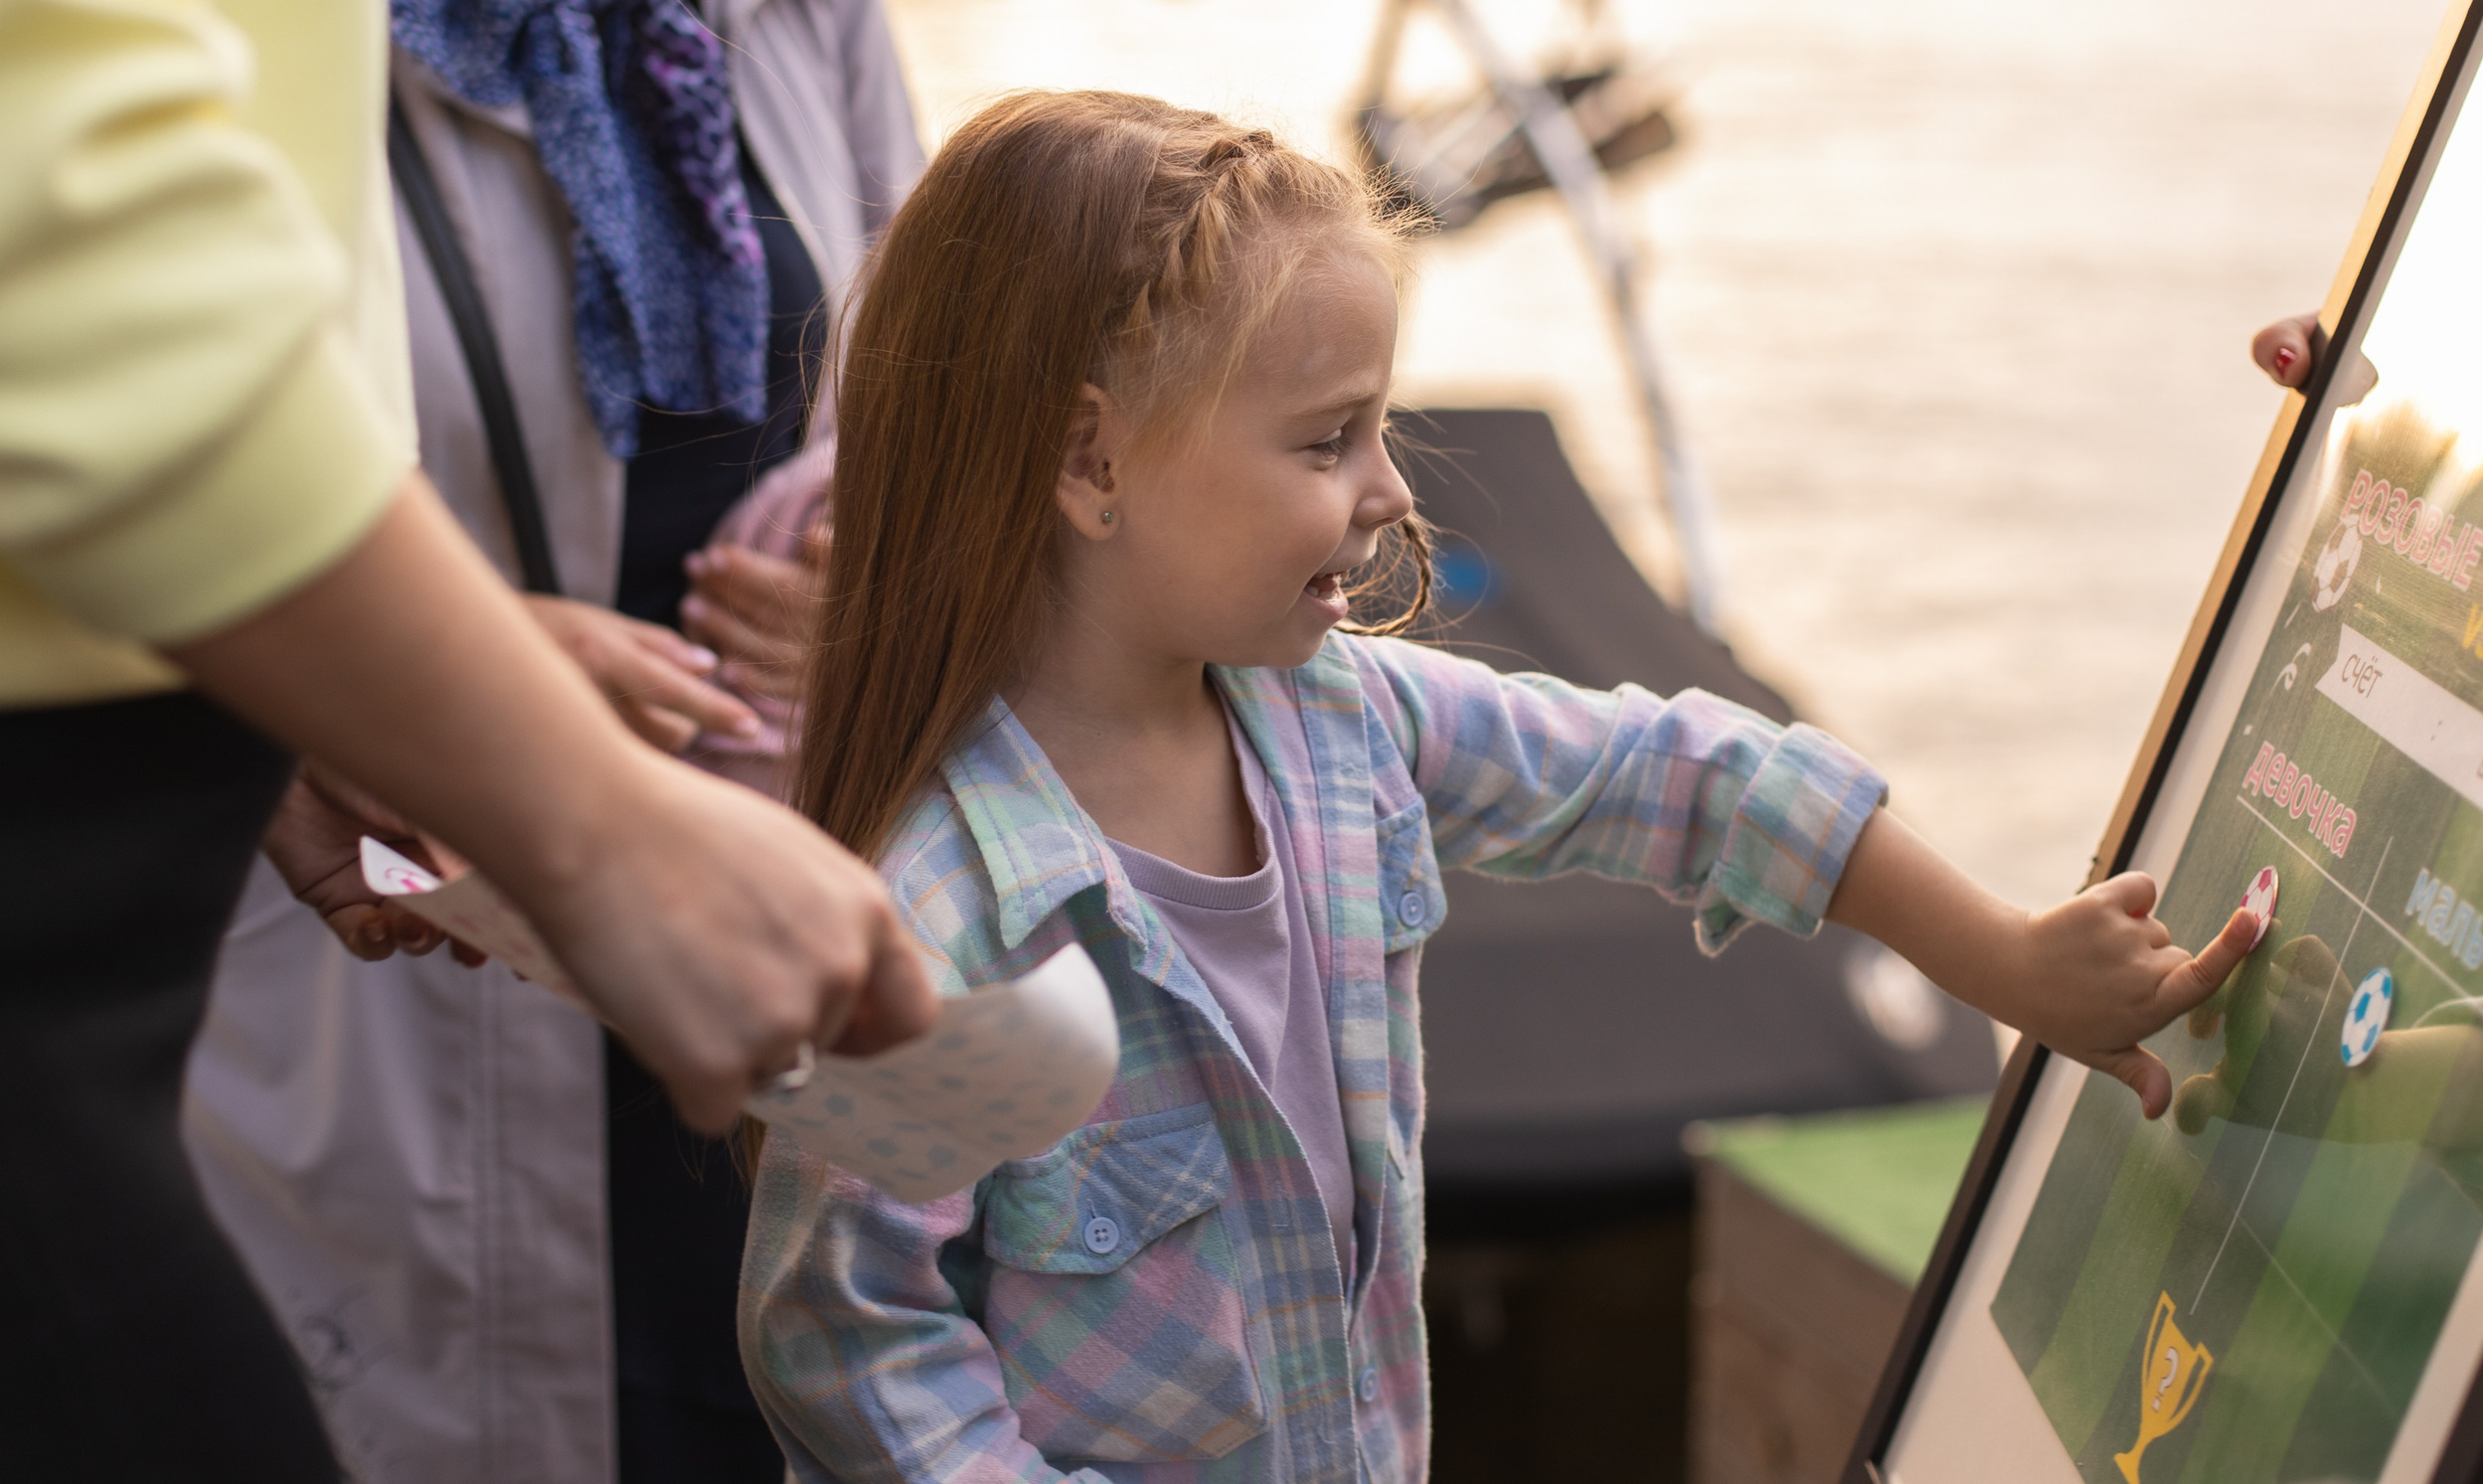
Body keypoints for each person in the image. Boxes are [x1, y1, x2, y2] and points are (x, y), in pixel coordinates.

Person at [734, 91, 2261, 1483]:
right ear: (1091, 463)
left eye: (1380, 428)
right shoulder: (934, 922)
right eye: (1330, 440)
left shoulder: (1345, 726)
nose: (1393, 491)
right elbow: (856, 1345)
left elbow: (1687, 775)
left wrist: (2003, 955)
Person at [0, 0, 935, 1480]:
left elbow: (920, 367)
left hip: (736, 971)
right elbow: (73, 276)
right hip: (341, 990)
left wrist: (887, 581)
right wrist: (547, 779)